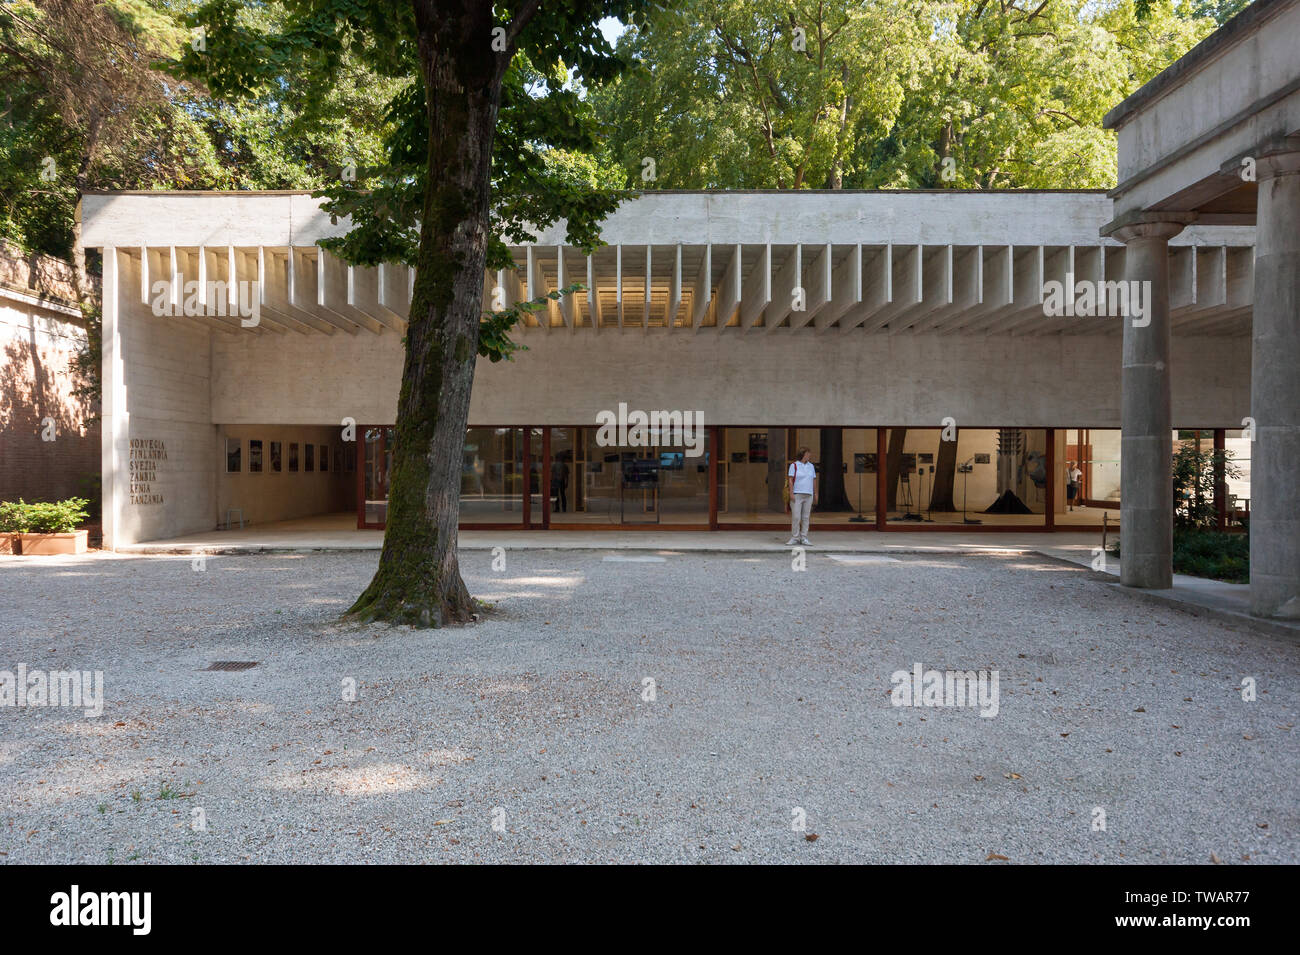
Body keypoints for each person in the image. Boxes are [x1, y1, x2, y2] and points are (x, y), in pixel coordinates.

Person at [786, 447, 818, 546]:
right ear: (802, 454)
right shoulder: (794, 465)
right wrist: (791, 493)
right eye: (807, 453)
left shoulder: (811, 466)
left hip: (808, 494)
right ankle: (795, 537)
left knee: (806, 517)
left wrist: (815, 493)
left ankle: (804, 537)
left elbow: (814, 480)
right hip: (797, 494)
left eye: (809, 454)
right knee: (796, 517)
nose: (809, 455)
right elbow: (790, 480)